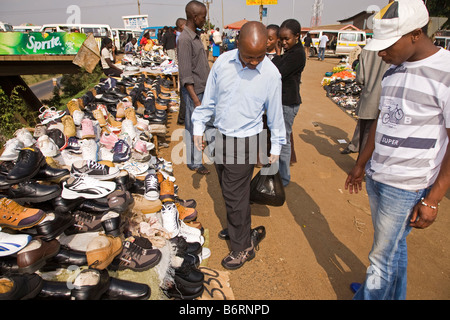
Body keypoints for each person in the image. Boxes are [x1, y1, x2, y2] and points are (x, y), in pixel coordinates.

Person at [345, 0, 450, 300]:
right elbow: (381, 121)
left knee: (380, 258)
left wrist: (433, 200)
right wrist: (361, 163)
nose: (381, 53)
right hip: (378, 176)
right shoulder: (392, 71)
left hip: (406, 186)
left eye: (388, 45)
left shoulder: (446, 72)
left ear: (416, 34)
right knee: (392, 248)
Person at [192, 21, 286, 270]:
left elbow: (276, 114)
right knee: (230, 190)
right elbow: (209, 100)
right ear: (237, 44)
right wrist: (199, 127)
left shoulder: (270, 74)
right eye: (248, 56)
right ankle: (240, 229)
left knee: (234, 195)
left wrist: (276, 147)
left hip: (246, 141)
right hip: (220, 135)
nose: (254, 62)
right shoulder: (223, 62)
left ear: (267, 45)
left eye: (259, 56)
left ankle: (243, 246)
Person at [177, 0, 211, 175]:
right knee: (192, 128)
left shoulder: (195, 36)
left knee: (203, 126)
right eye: (203, 17)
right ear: (194, 16)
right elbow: (185, 74)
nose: (205, 20)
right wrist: (195, 99)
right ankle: (195, 163)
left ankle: (201, 156)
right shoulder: (184, 39)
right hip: (193, 92)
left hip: (202, 90)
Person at [271, 19, 306, 187]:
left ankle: (283, 178)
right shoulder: (291, 52)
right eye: (281, 39)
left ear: (297, 36)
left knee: (283, 141)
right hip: (283, 102)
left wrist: (278, 54)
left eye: (287, 39)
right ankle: (279, 174)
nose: (284, 42)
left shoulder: (297, 54)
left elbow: (278, 72)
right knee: (280, 138)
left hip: (288, 103)